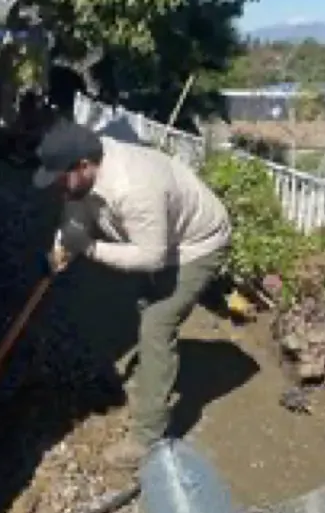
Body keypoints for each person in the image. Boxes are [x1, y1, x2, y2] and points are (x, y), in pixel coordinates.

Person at [33, 121, 231, 470]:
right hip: (161, 237)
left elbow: (150, 256)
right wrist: (62, 247)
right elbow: (76, 214)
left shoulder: (134, 188)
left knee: (157, 324)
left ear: (83, 165)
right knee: (143, 303)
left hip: (196, 245)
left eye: (62, 178)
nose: (58, 188)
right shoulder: (85, 173)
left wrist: (90, 249)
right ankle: (152, 379)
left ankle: (146, 438)